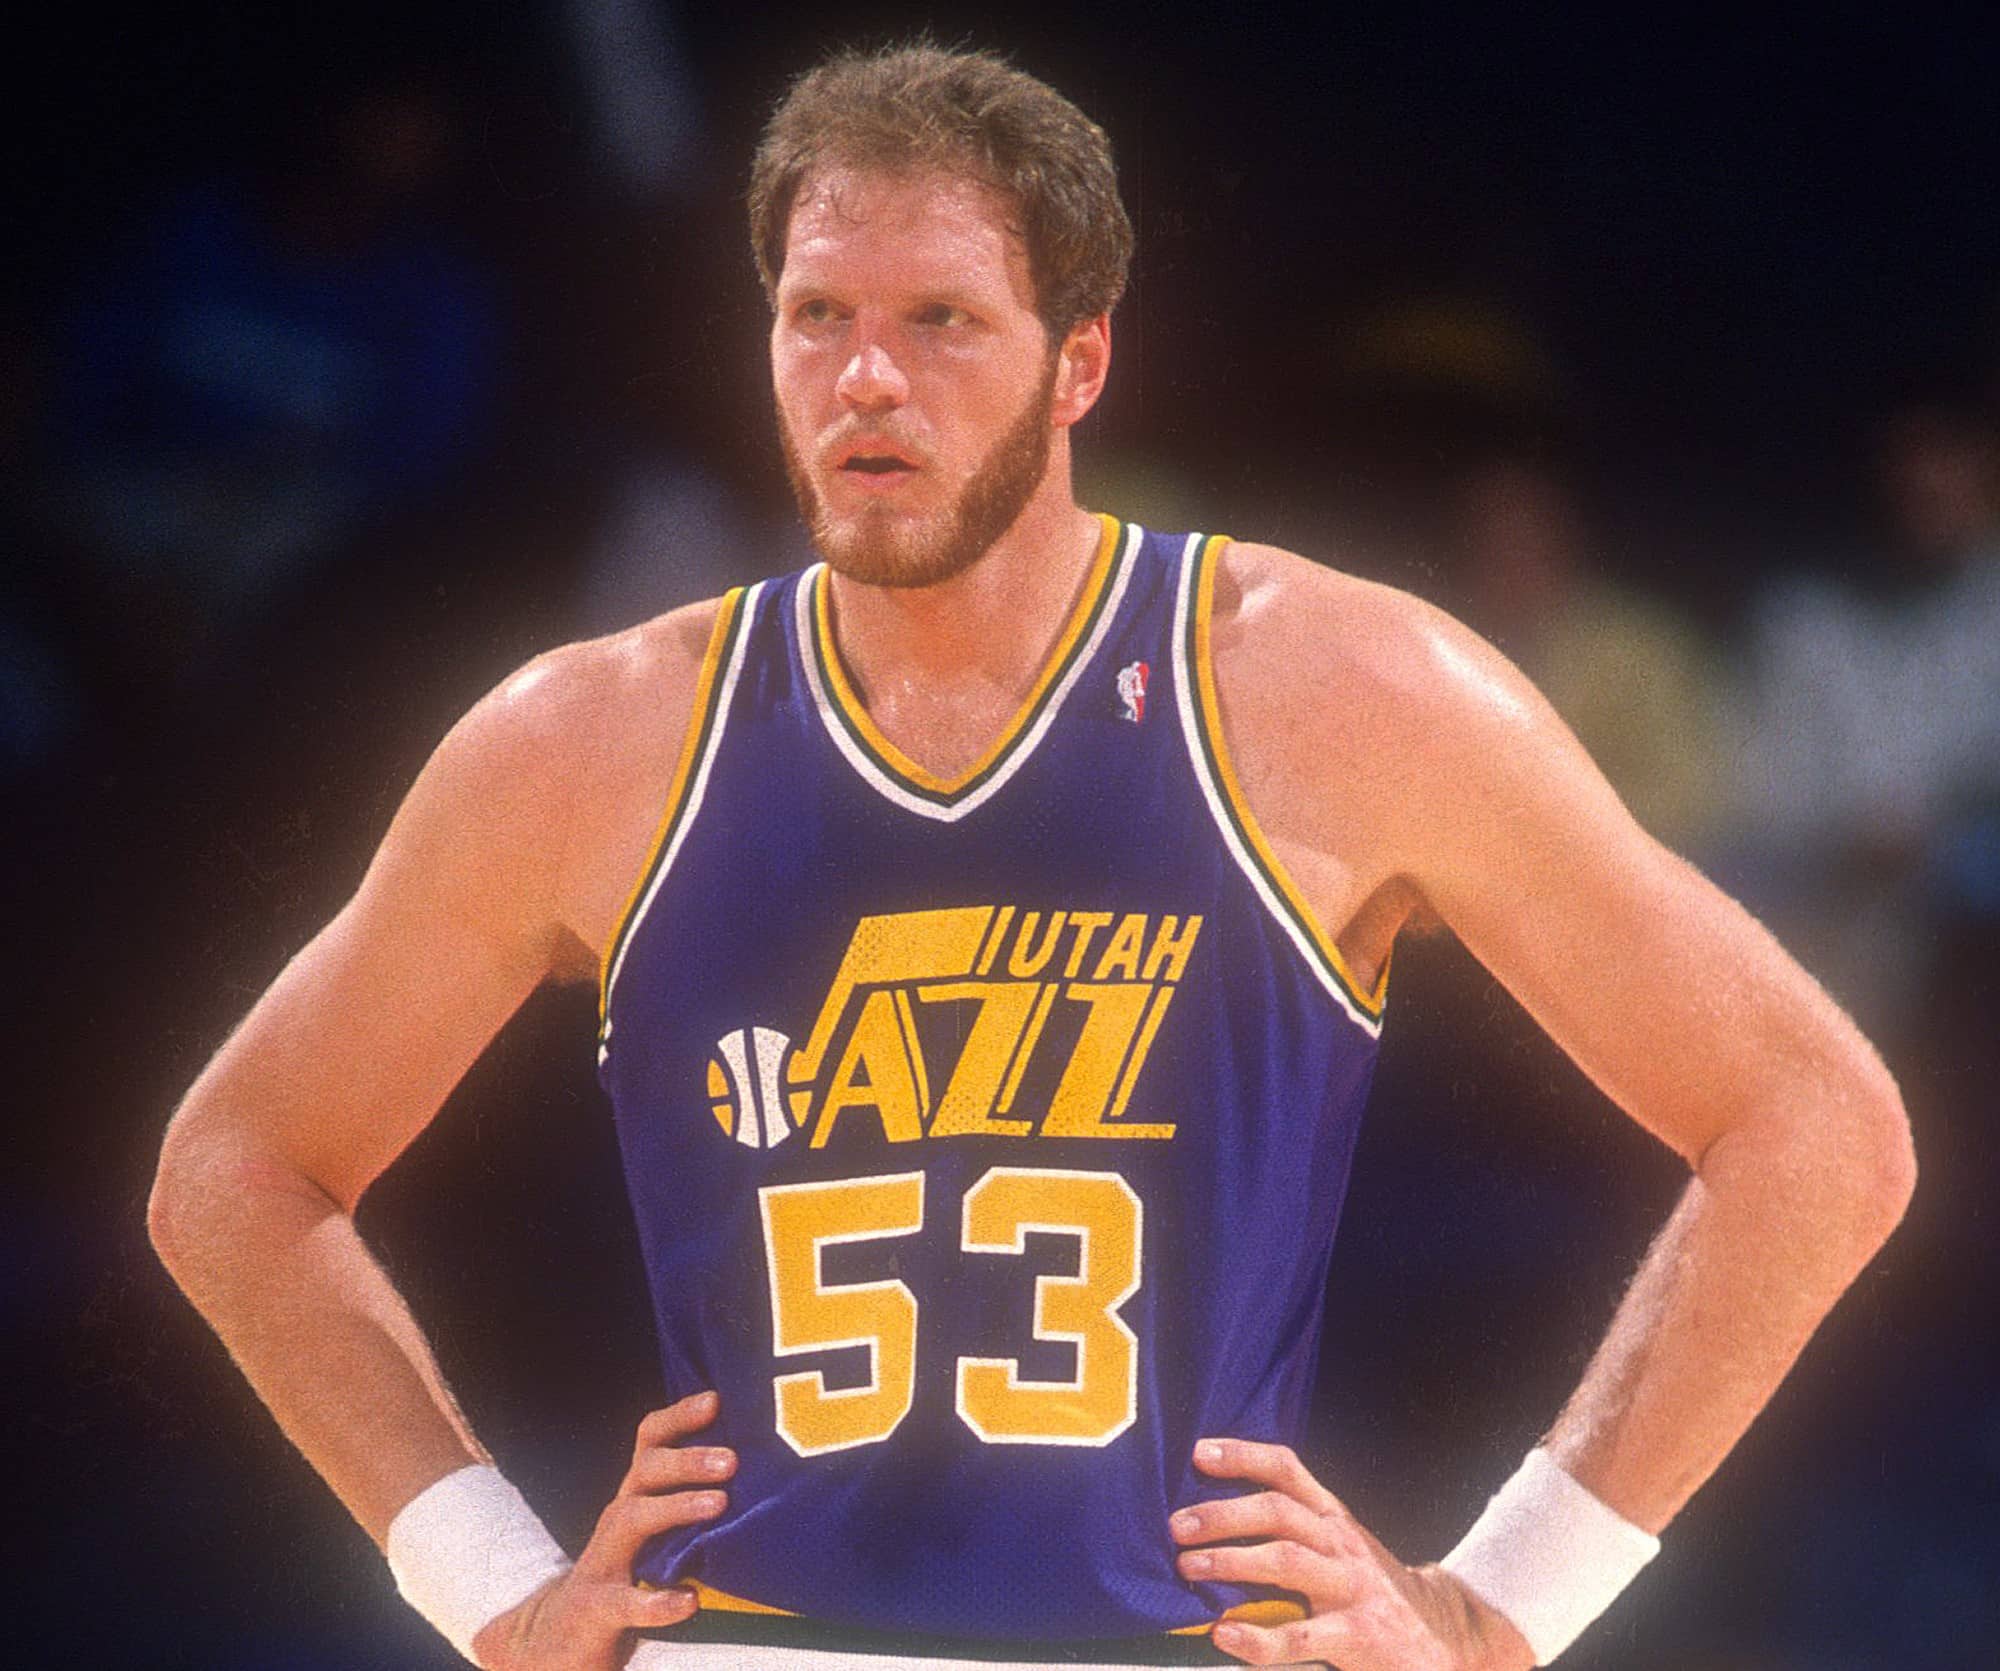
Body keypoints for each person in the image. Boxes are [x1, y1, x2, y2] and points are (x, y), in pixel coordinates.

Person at [149, 45, 1914, 1671]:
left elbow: (1817, 1125)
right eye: (815, 313)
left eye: (940, 321)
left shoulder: (1334, 687)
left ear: (1082, 360)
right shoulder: (587, 741)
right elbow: (236, 1169)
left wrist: (1499, 1605)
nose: (864, 378)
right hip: (754, 1640)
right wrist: (482, 1588)